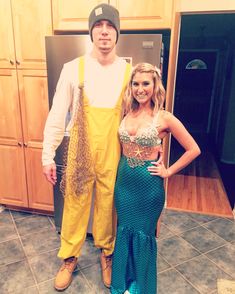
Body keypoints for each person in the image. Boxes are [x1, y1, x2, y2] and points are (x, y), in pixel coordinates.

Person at [42, 3, 132, 291]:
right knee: (75, 204)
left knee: (108, 205)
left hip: (113, 151)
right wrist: (47, 156)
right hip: (80, 151)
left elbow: (143, 117)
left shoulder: (128, 72)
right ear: (91, 32)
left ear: (117, 33)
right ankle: (69, 257)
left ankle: (107, 253)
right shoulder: (72, 69)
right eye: (98, 27)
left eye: (110, 27)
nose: (104, 32)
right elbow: (57, 115)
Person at [110, 63, 201, 294]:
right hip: (124, 185)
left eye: (145, 83)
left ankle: (141, 288)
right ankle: (123, 285)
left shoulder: (165, 118)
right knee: (124, 231)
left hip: (149, 187)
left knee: (143, 235)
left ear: (155, 85)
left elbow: (193, 149)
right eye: (136, 83)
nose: (140, 89)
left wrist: (168, 171)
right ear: (131, 86)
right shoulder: (125, 112)